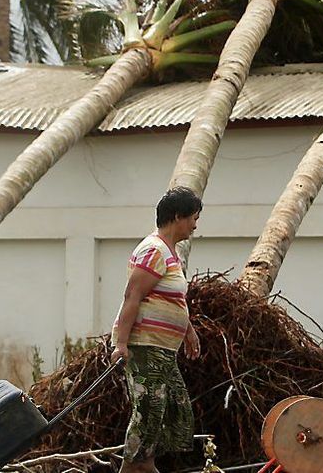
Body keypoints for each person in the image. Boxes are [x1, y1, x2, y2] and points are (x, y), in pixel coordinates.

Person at [111, 187, 203, 473]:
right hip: (145, 346)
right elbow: (133, 296)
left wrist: (188, 331)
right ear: (178, 217)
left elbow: (170, 298)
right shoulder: (154, 249)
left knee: (174, 408)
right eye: (193, 218)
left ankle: (144, 463)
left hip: (163, 349)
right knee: (149, 411)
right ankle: (136, 466)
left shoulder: (170, 253)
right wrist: (121, 344)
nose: (195, 225)